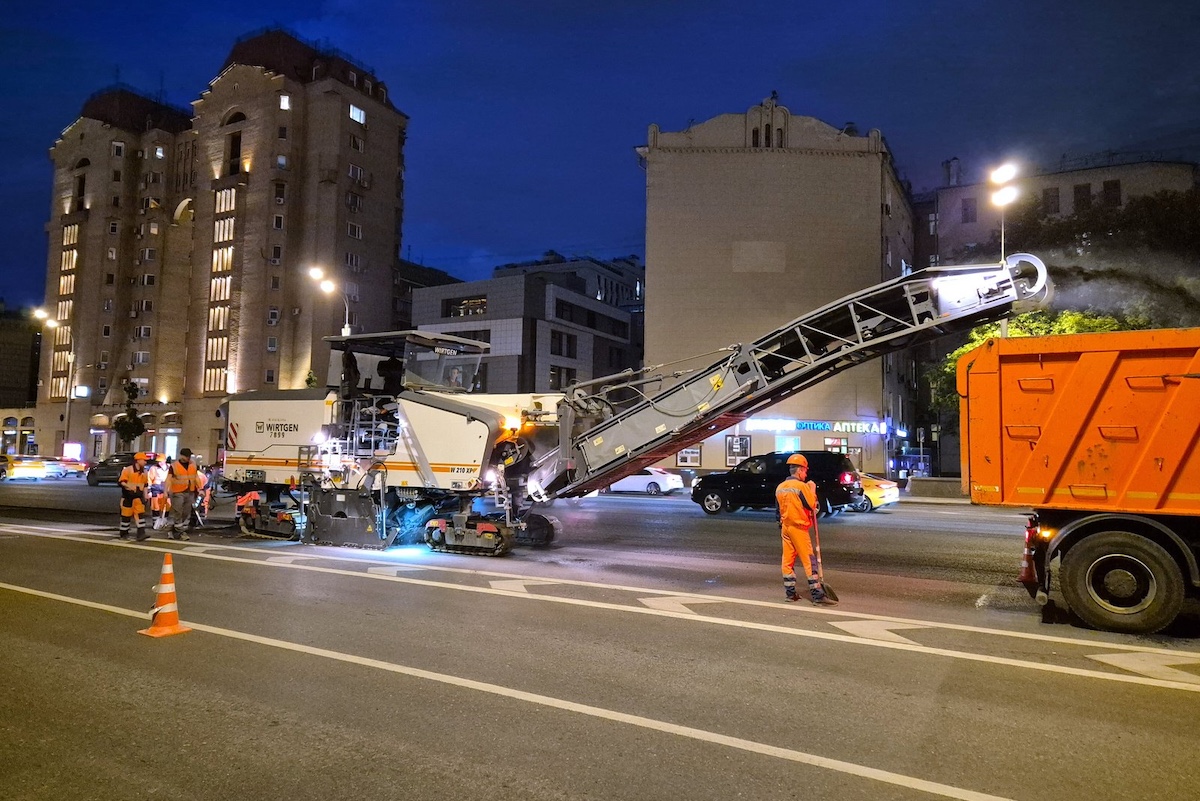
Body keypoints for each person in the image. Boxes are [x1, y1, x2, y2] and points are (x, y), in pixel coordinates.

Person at [776, 453, 837, 605]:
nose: (806, 474)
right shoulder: (801, 486)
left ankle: (790, 594)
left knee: (787, 560)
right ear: (799, 470)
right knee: (810, 561)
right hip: (799, 528)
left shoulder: (780, 487)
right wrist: (812, 489)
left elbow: (777, 511)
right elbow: (812, 505)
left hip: (785, 528)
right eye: (805, 471)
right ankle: (817, 595)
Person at [165, 448, 200, 541]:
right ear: (181, 456)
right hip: (177, 492)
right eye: (186, 456)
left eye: (189, 456)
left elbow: (196, 477)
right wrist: (165, 491)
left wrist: (200, 489)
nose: (188, 458)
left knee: (186, 512)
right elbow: (168, 479)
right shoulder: (174, 466)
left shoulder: (193, 465)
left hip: (189, 491)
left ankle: (174, 529)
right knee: (178, 511)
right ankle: (180, 532)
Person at [117, 452, 151, 541]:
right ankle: (123, 534)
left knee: (140, 515)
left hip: (138, 497)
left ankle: (141, 534)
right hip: (128, 497)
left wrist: (146, 495)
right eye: (144, 460)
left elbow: (145, 485)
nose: (145, 462)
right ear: (138, 460)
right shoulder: (128, 470)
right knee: (126, 516)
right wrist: (129, 487)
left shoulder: (144, 472)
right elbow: (121, 482)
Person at [147, 454, 170, 529]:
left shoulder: (170, 467)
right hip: (156, 489)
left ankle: (164, 521)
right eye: (158, 461)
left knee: (167, 506)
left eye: (161, 461)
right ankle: (155, 522)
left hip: (166, 489)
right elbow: (149, 479)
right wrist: (149, 490)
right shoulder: (153, 468)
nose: (159, 463)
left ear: (165, 460)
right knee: (155, 506)